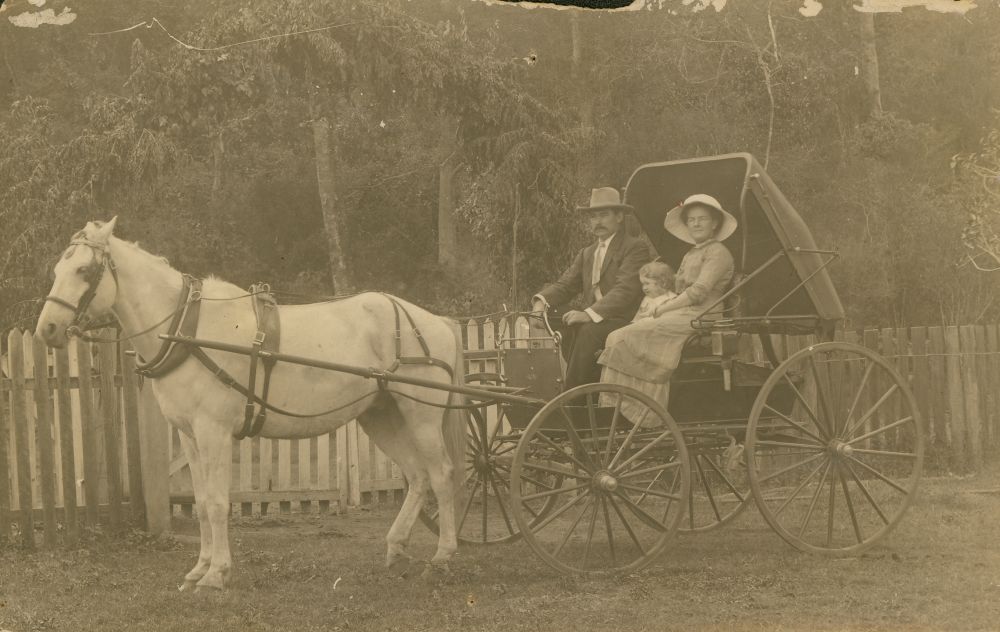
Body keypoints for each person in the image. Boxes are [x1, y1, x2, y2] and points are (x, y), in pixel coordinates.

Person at [596, 193, 737, 424]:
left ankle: (644, 413)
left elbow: (697, 292)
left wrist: (663, 309)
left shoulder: (718, 253)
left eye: (702, 219)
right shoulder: (692, 253)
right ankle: (619, 407)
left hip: (703, 317)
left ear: (715, 224)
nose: (697, 224)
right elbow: (678, 289)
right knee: (618, 335)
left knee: (622, 337)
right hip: (682, 313)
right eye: (691, 220)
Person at [532, 187, 652, 389]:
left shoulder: (634, 247)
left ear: (620, 216)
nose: (598, 222)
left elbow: (624, 291)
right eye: (593, 217)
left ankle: (573, 394)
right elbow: (566, 285)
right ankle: (587, 377)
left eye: (604, 215)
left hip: (623, 320)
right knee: (552, 314)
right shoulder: (587, 253)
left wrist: (589, 314)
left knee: (587, 331)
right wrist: (540, 303)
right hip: (596, 321)